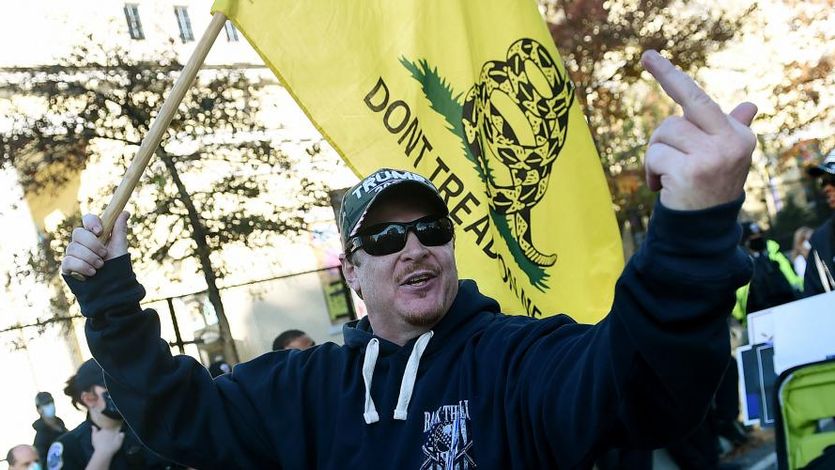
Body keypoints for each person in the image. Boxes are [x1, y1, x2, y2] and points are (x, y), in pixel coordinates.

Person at [60, 51, 758, 468]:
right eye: (387, 239)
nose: (415, 247)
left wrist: (690, 231)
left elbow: (639, 388)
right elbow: (183, 419)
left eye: (429, 228)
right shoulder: (305, 389)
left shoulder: (517, 360)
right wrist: (111, 299)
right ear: (352, 272)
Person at [46, 359, 184, 470]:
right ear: (89, 398)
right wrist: (102, 455)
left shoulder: (153, 428)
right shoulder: (69, 447)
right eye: (111, 385)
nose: (123, 390)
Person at [732, 221, 802, 319]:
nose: (758, 240)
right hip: (758, 315)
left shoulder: (775, 255)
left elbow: (793, 279)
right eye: (753, 239)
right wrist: (741, 318)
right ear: (745, 242)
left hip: (788, 308)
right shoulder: (740, 265)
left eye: (759, 237)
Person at [804, 153, 835, 295]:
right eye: (823, 182)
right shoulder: (822, 239)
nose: (826, 188)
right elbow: (813, 299)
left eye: (832, 180)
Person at [31, 392, 67, 464]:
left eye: (51, 402)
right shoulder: (40, 438)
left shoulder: (61, 426)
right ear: (39, 410)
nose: (50, 405)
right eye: (46, 404)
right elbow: (43, 463)